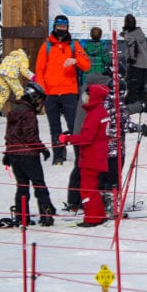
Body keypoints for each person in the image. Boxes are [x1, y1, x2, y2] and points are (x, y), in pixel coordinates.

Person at [37, 14, 91, 166]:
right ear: (54, 27)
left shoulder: (74, 46)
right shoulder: (46, 46)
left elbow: (86, 65)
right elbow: (39, 70)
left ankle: (80, 155)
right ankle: (58, 155)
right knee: (55, 126)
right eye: (59, 27)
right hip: (51, 94)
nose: (61, 29)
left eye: (64, 27)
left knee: (74, 125)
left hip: (69, 92)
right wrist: (44, 90)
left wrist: (76, 60)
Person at [0, 82, 56, 227]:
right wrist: (42, 148)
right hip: (28, 155)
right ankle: (46, 214)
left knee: (22, 186)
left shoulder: (14, 111)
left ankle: (21, 215)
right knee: (39, 184)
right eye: (39, 100)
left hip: (14, 155)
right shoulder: (28, 113)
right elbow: (30, 135)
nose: (39, 104)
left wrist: (8, 152)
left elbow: (10, 135)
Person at [59, 84, 110, 227]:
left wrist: (68, 139)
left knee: (87, 189)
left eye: (87, 95)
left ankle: (92, 218)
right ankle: (99, 215)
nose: (84, 98)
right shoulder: (100, 112)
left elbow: (87, 137)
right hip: (97, 156)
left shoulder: (95, 114)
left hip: (91, 157)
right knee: (93, 188)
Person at [99, 83, 144, 215]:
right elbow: (125, 125)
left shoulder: (101, 103)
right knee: (113, 179)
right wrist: (140, 128)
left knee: (103, 177)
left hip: (100, 149)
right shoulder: (118, 105)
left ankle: (100, 204)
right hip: (115, 149)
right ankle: (112, 206)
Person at [0, 49, 36, 115]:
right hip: (11, 75)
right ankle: (20, 110)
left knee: (3, 93)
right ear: (27, 55)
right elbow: (24, 70)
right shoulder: (23, 58)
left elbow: (0, 67)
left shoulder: (9, 56)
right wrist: (33, 77)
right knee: (19, 92)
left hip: (1, 74)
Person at [121, 15, 147, 108]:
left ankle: (134, 107)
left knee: (133, 88)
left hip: (135, 64)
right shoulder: (140, 33)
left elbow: (132, 46)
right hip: (144, 63)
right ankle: (144, 105)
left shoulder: (129, 35)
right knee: (141, 87)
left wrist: (131, 59)